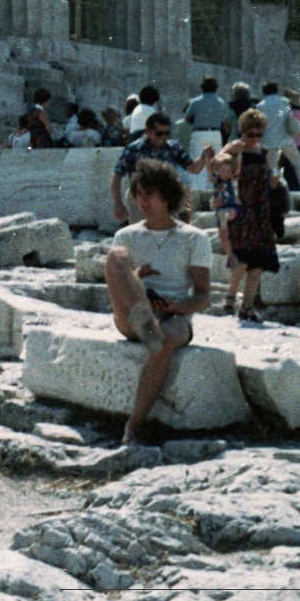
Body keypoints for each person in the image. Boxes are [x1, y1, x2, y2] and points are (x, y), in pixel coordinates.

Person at [104, 159, 212, 446]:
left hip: (174, 316)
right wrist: (137, 277)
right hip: (134, 312)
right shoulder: (126, 234)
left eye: (149, 193)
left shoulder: (195, 238)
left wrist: (177, 307)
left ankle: (134, 426)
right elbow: (119, 279)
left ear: (167, 196)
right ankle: (147, 323)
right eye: (138, 193)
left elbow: (203, 296)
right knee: (116, 257)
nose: (141, 200)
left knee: (162, 340)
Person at [219, 108, 283, 324]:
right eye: (250, 134)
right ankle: (229, 299)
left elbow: (269, 179)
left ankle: (247, 306)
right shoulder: (234, 149)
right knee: (242, 257)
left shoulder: (263, 153)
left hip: (260, 210)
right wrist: (227, 151)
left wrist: (274, 180)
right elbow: (215, 169)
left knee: (258, 262)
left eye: (259, 134)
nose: (254, 139)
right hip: (241, 208)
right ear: (242, 131)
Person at [109, 112, 214, 226]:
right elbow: (117, 176)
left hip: (166, 198)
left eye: (167, 133)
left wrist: (204, 157)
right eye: (159, 133)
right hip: (140, 199)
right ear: (148, 131)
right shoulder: (133, 149)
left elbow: (193, 168)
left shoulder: (173, 148)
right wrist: (118, 204)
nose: (163, 138)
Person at [255, 81, 300, 193]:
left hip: (268, 142)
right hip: (285, 139)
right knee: (299, 165)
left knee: (273, 169)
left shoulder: (260, 106)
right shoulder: (284, 102)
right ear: (276, 90)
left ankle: (274, 192)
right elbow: (290, 120)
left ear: (264, 91)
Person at [209, 151, 243, 313]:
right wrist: (208, 158)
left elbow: (238, 166)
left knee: (227, 215)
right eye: (222, 170)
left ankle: (226, 219)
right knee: (223, 234)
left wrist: (240, 152)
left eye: (228, 171)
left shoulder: (233, 180)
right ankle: (229, 254)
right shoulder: (216, 181)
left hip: (232, 208)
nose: (225, 173)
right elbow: (210, 170)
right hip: (221, 209)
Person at [184, 77, 227, 187]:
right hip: (216, 133)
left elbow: (187, 118)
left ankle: (198, 192)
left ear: (202, 87)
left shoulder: (195, 101)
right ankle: (215, 190)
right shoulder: (221, 102)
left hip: (200, 132)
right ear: (216, 88)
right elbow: (223, 120)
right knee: (216, 163)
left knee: (198, 161)